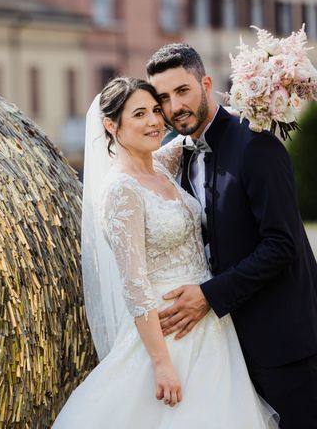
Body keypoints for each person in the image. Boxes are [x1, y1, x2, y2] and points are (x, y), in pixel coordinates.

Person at [53, 77, 276, 428]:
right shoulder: (119, 190)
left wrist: (263, 92)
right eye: (139, 114)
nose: (155, 121)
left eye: (156, 110)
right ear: (111, 125)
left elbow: (200, 131)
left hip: (212, 323)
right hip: (170, 332)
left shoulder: (161, 164)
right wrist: (161, 362)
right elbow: (135, 284)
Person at [147, 43, 317, 428]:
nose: (174, 107)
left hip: (285, 344)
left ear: (205, 83)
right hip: (227, 350)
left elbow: (282, 244)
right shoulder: (182, 156)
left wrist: (209, 295)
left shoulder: (255, 145)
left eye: (182, 91)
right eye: (163, 99)